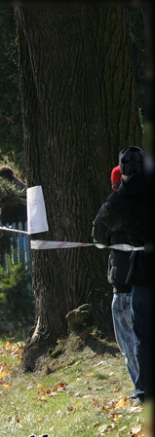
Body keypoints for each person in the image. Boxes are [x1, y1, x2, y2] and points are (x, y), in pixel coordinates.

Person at [93, 146, 151, 403]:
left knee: (141, 336)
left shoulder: (122, 197)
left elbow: (99, 231)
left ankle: (145, 392)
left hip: (143, 275)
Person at [92, 165, 138, 395]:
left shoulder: (115, 207)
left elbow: (99, 236)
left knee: (128, 341)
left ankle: (142, 387)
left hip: (124, 286)